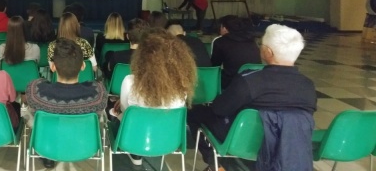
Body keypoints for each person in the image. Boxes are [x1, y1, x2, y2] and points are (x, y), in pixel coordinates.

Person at [188, 24, 316, 171]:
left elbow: (219, 109)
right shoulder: (308, 85)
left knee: (195, 113)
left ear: (268, 52)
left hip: (243, 140)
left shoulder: (249, 80)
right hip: (288, 145)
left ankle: (218, 165)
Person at [111, 28, 196, 165]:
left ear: (142, 57)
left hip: (133, 139)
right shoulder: (182, 88)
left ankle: (135, 155)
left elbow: (125, 112)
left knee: (115, 113)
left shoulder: (130, 81)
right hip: (169, 140)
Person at [25, 38, 108, 169]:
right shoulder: (98, 94)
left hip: (46, 146)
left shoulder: (35, 91)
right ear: (83, 66)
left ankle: (48, 158)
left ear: (52, 67)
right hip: (85, 145)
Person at [211, 15, 261, 88]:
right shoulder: (251, 40)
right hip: (254, 81)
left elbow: (215, 66)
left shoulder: (220, 42)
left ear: (224, 29)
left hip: (232, 83)